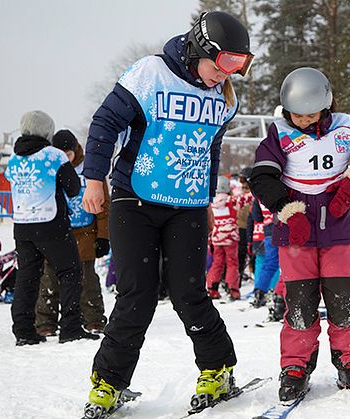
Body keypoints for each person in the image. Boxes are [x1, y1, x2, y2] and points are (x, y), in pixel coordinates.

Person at [80, 11, 253, 417]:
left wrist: (207, 200)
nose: (223, 75)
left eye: (235, 67)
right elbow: (106, 122)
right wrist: (93, 179)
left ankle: (218, 369)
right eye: (222, 64)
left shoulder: (223, 95)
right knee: (136, 294)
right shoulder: (151, 73)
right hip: (134, 198)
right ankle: (108, 382)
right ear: (199, 49)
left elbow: (210, 150)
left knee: (188, 293)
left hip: (187, 206)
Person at [250, 67, 350, 403]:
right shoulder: (278, 134)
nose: (304, 121)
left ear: (326, 106)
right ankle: (296, 366)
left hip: (338, 227)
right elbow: (262, 178)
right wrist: (286, 208)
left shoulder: (346, 126)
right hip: (296, 231)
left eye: (312, 114)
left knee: (344, 298)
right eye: (298, 115)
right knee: (299, 302)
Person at [5, 110, 97, 346]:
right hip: (51, 224)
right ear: (47, 131)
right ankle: (71, 327)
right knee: (70, 272)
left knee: (27, 277)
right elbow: (74, 188)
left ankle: (24, 331)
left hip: (22, 226)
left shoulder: (14, 159)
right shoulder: (54, 156)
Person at [34, 129, 110, 337]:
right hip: (57, 233)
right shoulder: (51, 168)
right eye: (62, 154)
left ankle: (93, 318)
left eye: (69, 153)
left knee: (87, 280)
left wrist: (103, 236)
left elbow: (105, 206)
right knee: (50, 278)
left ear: (76, 149)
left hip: (85, 233)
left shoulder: (90, 169)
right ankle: (45, 321)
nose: (66, 158)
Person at [207, 176, 251, 300]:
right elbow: (248, 198)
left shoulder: (212, 203)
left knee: (217, 263)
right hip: (230, 237)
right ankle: (233, 289)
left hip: (216, 238)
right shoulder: (231, 200)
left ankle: (212, 287)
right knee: (232, 263)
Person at [249, 198, 281, 308]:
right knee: (289, 264)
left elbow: (256, 217)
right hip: (284, 228)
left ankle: (260, 293)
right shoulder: (282, 186)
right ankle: (281, 295)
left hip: (269, 231)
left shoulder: (258, 194)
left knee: (269, 264)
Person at [235, 168, 254, 283]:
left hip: (249, 225)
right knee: (240, 253)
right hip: (240, 226)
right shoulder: (240, 195)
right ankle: (238, 276)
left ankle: (252, 272)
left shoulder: (252, 195)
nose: (242, 184)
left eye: (243, 181)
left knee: (249, 251)